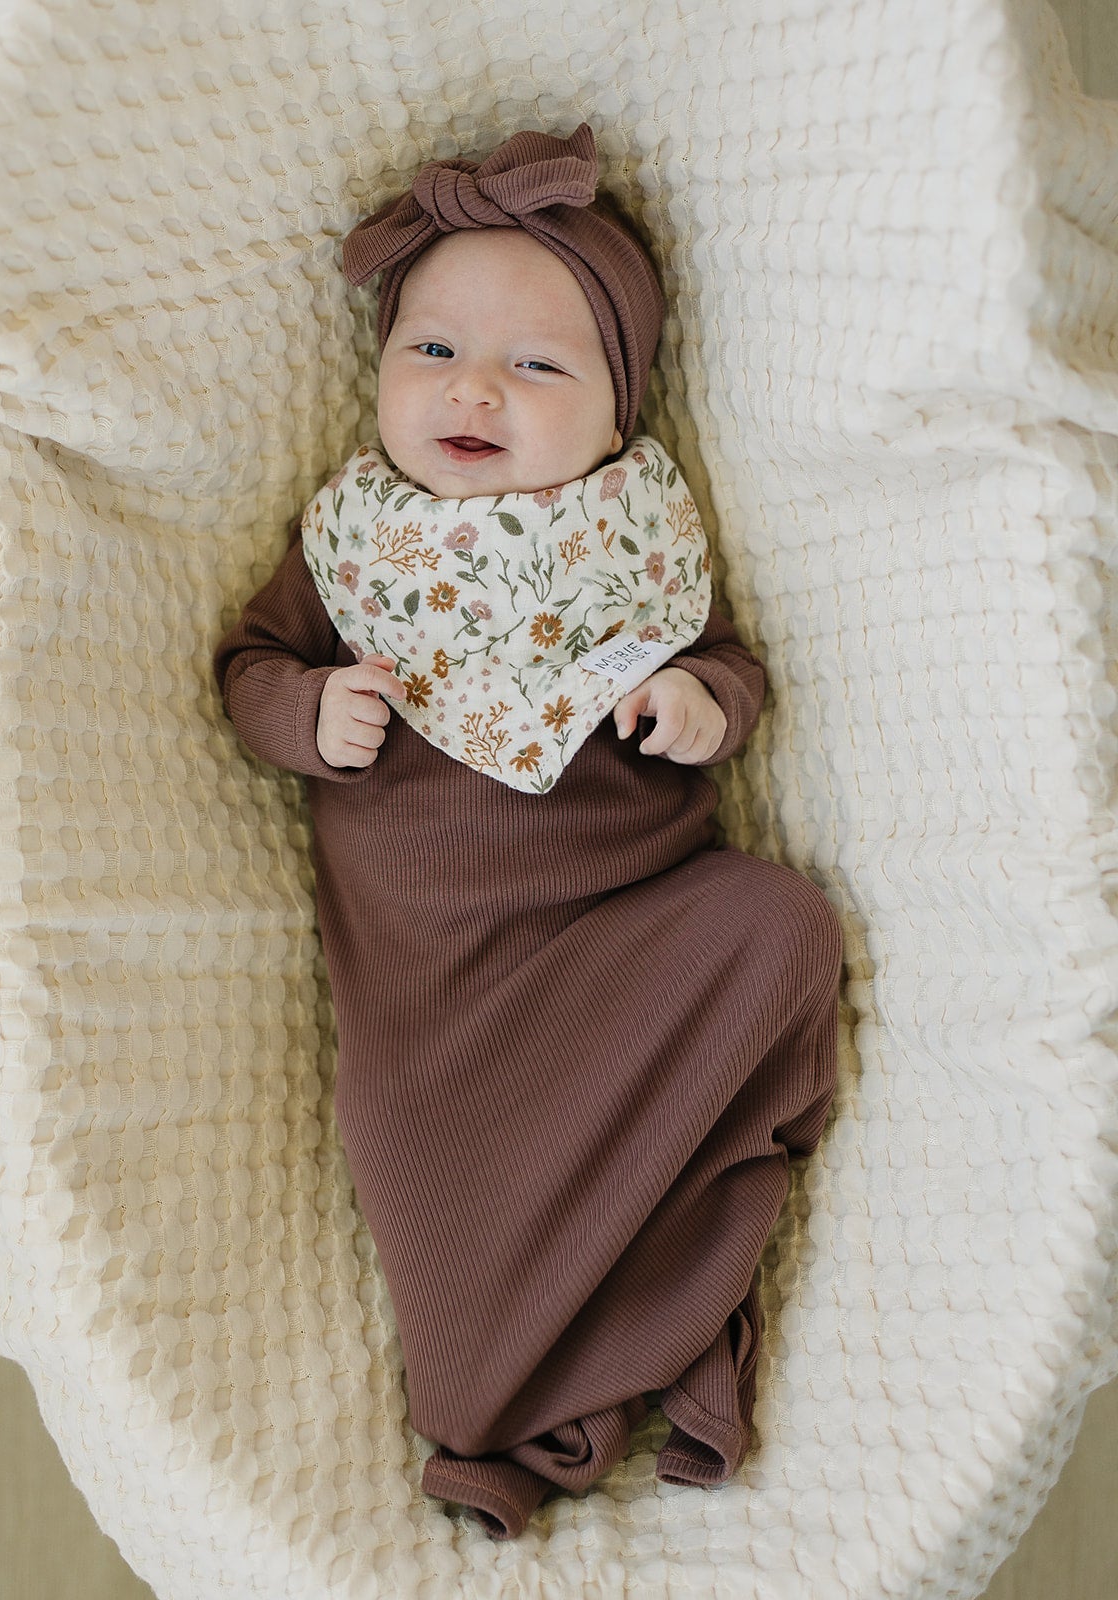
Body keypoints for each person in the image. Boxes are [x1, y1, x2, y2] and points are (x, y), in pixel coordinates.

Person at [214, 123, 842, 1540]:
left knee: (778, 925)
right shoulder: (355, 540)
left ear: (622, 410)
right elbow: (248, 667)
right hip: (434, 983)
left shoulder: (634, 531)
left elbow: (729, 660)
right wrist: (308, 715)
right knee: (426, 1179)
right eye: (430, 352)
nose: (474, 388)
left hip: (627, 930)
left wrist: (702, 704)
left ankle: (590, 1375)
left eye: (538, 366)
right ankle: (541, 1394)